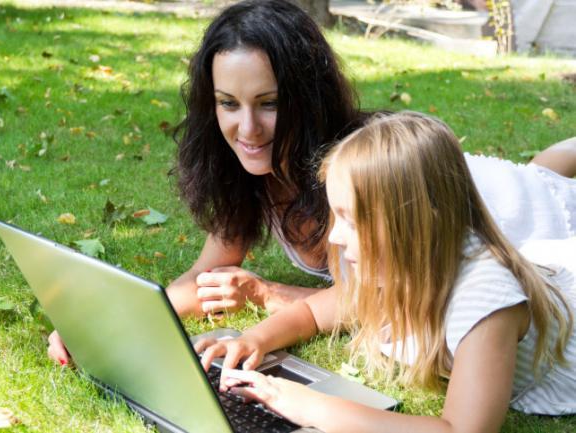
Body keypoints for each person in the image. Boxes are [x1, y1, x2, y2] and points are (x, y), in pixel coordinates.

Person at [46, 0, 576, 365]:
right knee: (544, 168)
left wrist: (266, 293)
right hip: (506, 185)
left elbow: (375, 301)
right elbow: (205, 277)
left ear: (307, 97)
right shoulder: (246, 169)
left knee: (546, 184)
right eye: (228, 103)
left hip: (518, 214)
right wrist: (103, 320)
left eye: (269, 103)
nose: (247, 129)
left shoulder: (355, 168)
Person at [196, 112, 576, 432]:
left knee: (548, 180)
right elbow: (312, 312)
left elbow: (462, 429)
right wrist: (254, 340)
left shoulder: (486, 301)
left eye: (351, 220)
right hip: (550, 263)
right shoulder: (396, 264)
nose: (336, 237)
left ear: (414, 224)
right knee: (545, 171)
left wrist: (309, 406)